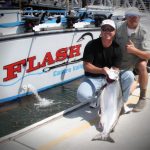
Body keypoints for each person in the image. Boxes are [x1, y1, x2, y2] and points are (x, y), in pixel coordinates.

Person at [77, 19, 134, 112]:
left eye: (110, 29)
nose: (107, 31)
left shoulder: (117, 48)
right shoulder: (91, 45)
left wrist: (111, 77)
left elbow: (116, 68)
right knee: (82, 96)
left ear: (115, 32)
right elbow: (86, 66)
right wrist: (101, 70)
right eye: (104, 29)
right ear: (101, 31)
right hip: (93, 78)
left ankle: (121, 103)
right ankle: (97, 98)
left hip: (110, 77)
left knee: (129, 76)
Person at [116, 7, 150, 112]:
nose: (133, 18)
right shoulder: (118, 27)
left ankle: (142, 97)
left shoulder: (144, 31)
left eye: (135, 16)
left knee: (143, 65)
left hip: (136, 59)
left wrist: (134, 50)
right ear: (126, 17)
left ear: (139, 17)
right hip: (121, 59)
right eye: (130, 16)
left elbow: (148, 55)